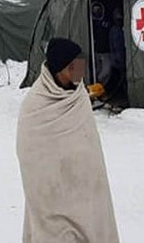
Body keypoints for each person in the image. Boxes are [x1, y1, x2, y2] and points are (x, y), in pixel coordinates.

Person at [16, 37, 119, 243]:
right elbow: (29, 155)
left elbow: (89, 143)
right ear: (57, 69)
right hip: (51, 199)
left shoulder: (79, 95)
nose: (79, 72)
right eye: (72, 67)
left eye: (80, 65)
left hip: (86, 190)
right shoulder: (35, 105)